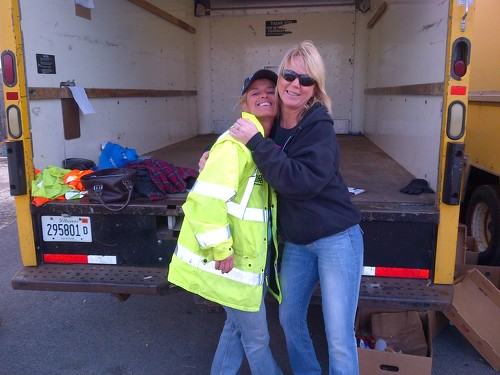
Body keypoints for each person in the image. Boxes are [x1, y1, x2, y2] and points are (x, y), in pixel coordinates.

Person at [229, 41, 364, 375]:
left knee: (338, 336)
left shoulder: (319, 128)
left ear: (314, 89)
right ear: (280, 78)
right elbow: (241, 135)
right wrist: (209, 152)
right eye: (289, 75)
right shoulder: (273, 124)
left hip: (336, 239)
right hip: (299, 243)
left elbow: (299, 182)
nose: (295, 84)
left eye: (306, 80)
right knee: (290, 320)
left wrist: (258, 144)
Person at [168, 69, 283, 375]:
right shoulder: (236, 145)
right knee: (257, 337)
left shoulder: (265, 143)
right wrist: (221, 248)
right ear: (244, 104)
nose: (264, 96)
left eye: (270, 90)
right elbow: (204, 200)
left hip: (245, 261)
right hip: (231, 260)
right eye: (255, 92)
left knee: (235, 329)